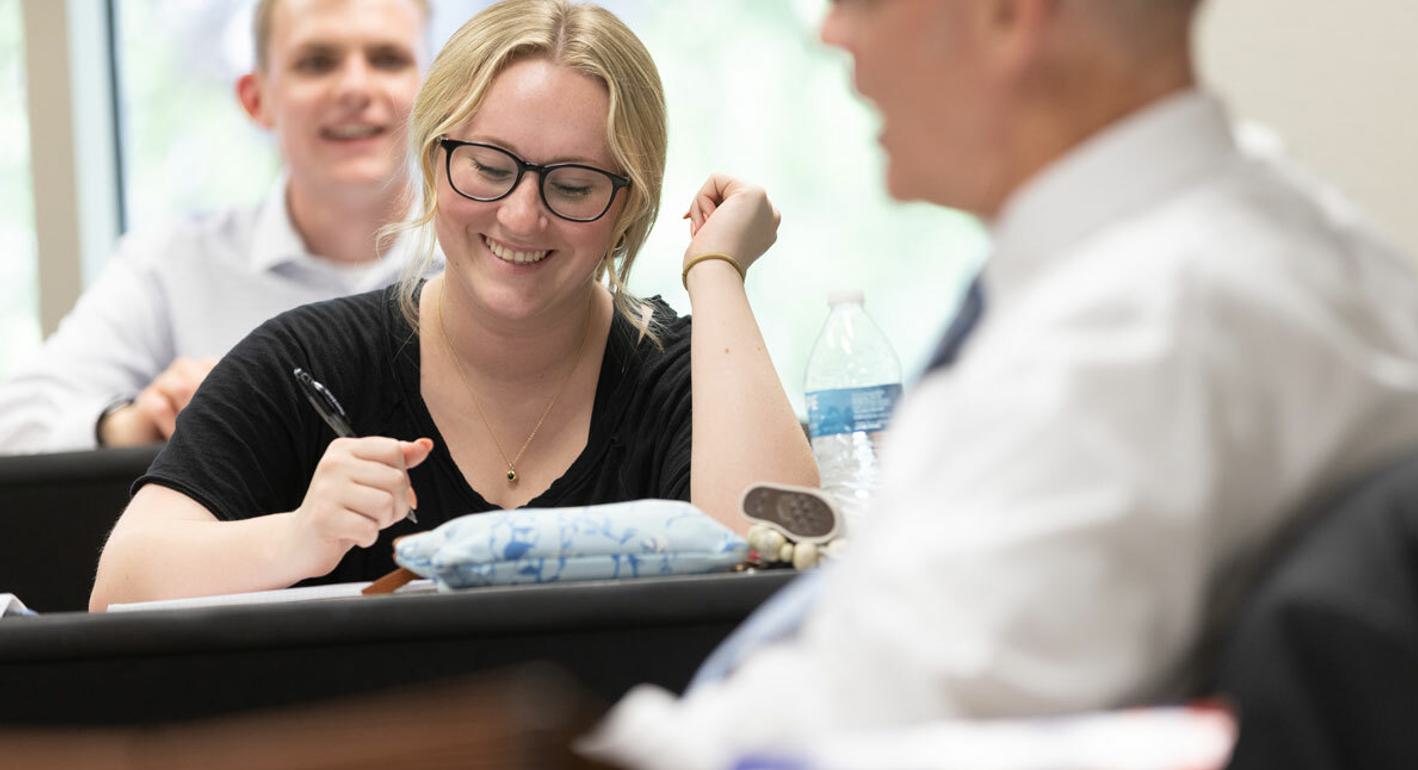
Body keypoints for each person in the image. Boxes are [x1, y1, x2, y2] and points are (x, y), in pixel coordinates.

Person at [580, 0, 1418, 767]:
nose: (834, 34)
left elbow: (874, 715)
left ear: (1010, 16)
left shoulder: (1137, 343)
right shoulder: (1288, 243)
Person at [87, 0, 817, 611]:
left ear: (630, 208)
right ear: (434, 162)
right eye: (489, 169)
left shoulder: (676, 372)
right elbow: (118, 588)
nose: (522, 217)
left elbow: (786, 565)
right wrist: (297, 537)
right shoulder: (306, 360)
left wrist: (717, 272)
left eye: (573, 186)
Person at [0, 0, 430, 453]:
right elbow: (15, 424)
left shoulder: (490, 257)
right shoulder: (169, 264)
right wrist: (132, 424)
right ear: (255, 99)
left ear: (437, 91)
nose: (355, 88)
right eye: (317, 63)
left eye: (387, 59)